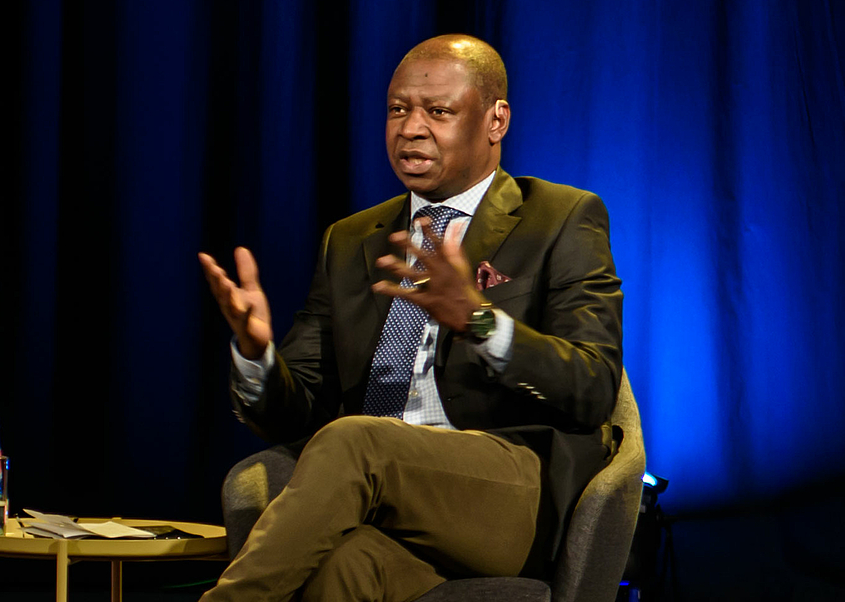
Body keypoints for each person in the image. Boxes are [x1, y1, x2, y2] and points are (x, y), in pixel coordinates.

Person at [198, 34, 623, 602]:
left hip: (506, 495)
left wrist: (478, 320)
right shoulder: (351, 240)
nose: (411, 128)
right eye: (398, 109)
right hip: (384, 504)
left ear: (496, 120)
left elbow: (592, 388)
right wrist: (257, 358)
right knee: (339, 569)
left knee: (358, 441)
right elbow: (296, 418)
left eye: (438, 111)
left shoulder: (561, 218)